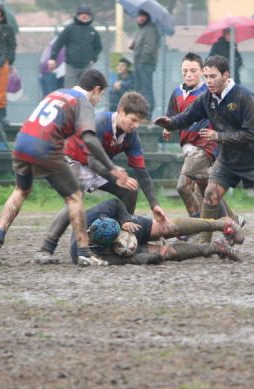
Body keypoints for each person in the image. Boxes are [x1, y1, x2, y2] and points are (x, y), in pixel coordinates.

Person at [154, 55, 254, 251]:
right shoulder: (206, 98)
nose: (208, 81)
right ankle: (203, 244)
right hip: (228, 160)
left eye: (213, 76)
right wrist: (170, 123)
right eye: (206, 77)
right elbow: (187, 116)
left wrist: (219, 137)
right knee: (211, 194)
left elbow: (250, 134)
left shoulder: (244, 96)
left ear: (226, 75)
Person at [0, 69, 132, 266]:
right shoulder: (82, 101)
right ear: (96, 90)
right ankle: (84, 253)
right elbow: (89, 138)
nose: (98, 100)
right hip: (46, 147)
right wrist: (112, 168)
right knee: (75, 196)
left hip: (22, 142)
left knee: (20, 190)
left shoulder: (57, 93)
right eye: (100, 95)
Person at [34, 91, 166, 264]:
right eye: (133, 120)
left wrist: (154, 204)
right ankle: (45, 249)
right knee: (76, 199)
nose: (136, 125)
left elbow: (142, 171)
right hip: (71, 159)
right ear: (121, 111)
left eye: (139, 122)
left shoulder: (131, 136)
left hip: (98, 167)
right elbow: (90, 159)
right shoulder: (100, 123)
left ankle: (122, 234)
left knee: (130, 190)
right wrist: (113, 173)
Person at [162, 52, 235, 220]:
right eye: (185, 71)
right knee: (205, 189)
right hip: (188, 147)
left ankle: (194, 223)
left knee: (183, 187)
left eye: (193, 71)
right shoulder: (177, 93)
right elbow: (172, 116)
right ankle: (231, 222)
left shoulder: (209, 92)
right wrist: (167, 128)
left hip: (204, 147)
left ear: (202, 71)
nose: (188, 74)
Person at [67, 198, 244, 265]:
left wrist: (125, 220)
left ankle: (222, 223)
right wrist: (153, 257)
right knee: (166, 253)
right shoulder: (84, 254)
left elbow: (115, 203)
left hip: (128, 226)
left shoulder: (98, 214)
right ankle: (216, 247)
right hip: (116, 251)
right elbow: (121, 260)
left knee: (166, 228)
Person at [48, 5, 102, 89]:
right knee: (70, 92)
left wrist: (93, 59)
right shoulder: (69, 29)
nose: (84, 16)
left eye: (86, 14)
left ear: (90, 16)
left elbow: (98, 47)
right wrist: (52, 58)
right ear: (77, 16)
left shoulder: (92, 31)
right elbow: (58, 43)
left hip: (86, 66)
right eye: (82, 14)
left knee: (86, 91)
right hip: (71, 66)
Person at [130, 10, 159, 119]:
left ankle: (147, 113)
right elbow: (143, 45)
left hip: (145, 64)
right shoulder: (142, 30)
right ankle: (142, 113)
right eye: (139, 16)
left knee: (146, 89)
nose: (140, 18)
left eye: (143, 16)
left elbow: (149, 47)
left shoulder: (150, 29)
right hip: (140, 63)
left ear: (147, 17)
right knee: (141, 89)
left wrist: (142, 60)